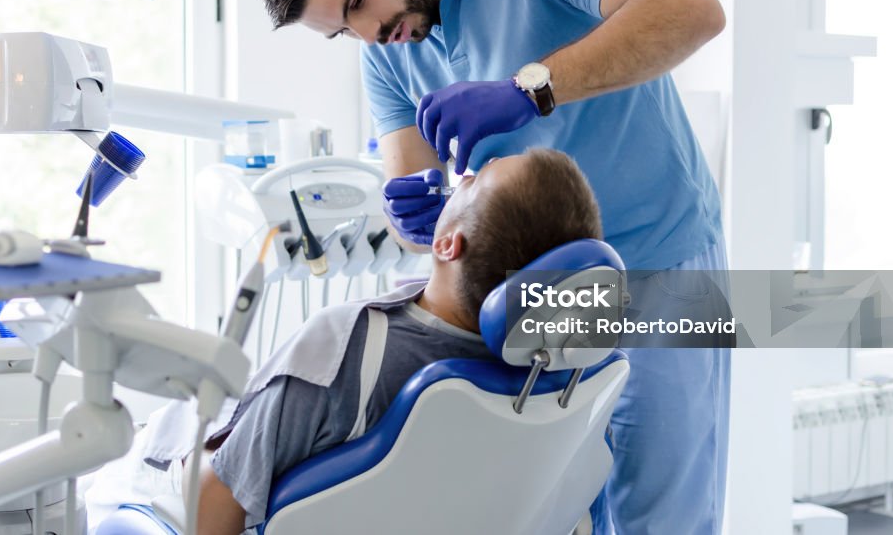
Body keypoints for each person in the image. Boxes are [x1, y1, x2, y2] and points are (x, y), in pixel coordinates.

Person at [255, 0, 730, 534]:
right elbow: (412, 184)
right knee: (558, 512)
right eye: (346, 30)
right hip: (533, 300)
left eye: (358, 2)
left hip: (659, 266)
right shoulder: (389, 49)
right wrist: (416, 217)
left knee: (660, 513)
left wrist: (532, 88)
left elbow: (692, 10)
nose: (370, 35)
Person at [189, 149, 604, 533]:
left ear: (447, 244)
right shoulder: (570, 380)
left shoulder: (342, 348)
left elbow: (219, 498)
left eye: (476, 180)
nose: (469, 171)